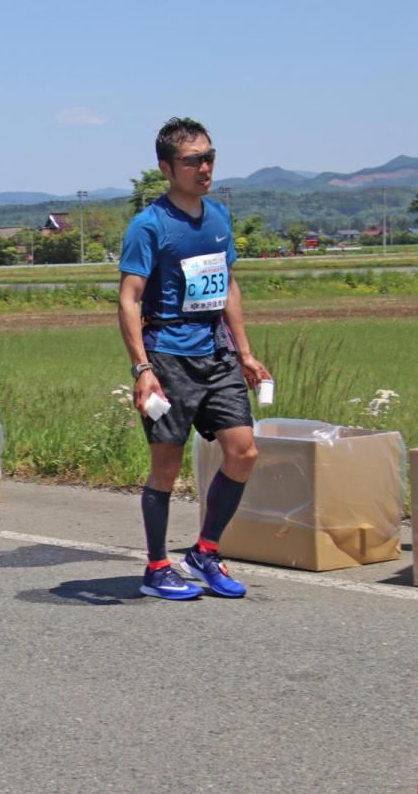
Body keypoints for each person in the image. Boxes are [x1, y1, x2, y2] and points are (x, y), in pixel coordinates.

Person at [118, 117, 270, 600]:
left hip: (217, 352)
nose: (204, 167)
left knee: (243, 451)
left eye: (210, 157)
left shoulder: (219, 217)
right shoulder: (150, 225)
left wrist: (245, 351)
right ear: (167, 167)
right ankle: (157, 567)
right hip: (169, 360)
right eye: (192, 160)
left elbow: (227, 285)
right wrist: (143, 369)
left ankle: (205, 553)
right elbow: (129, 299)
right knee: (166, 466)